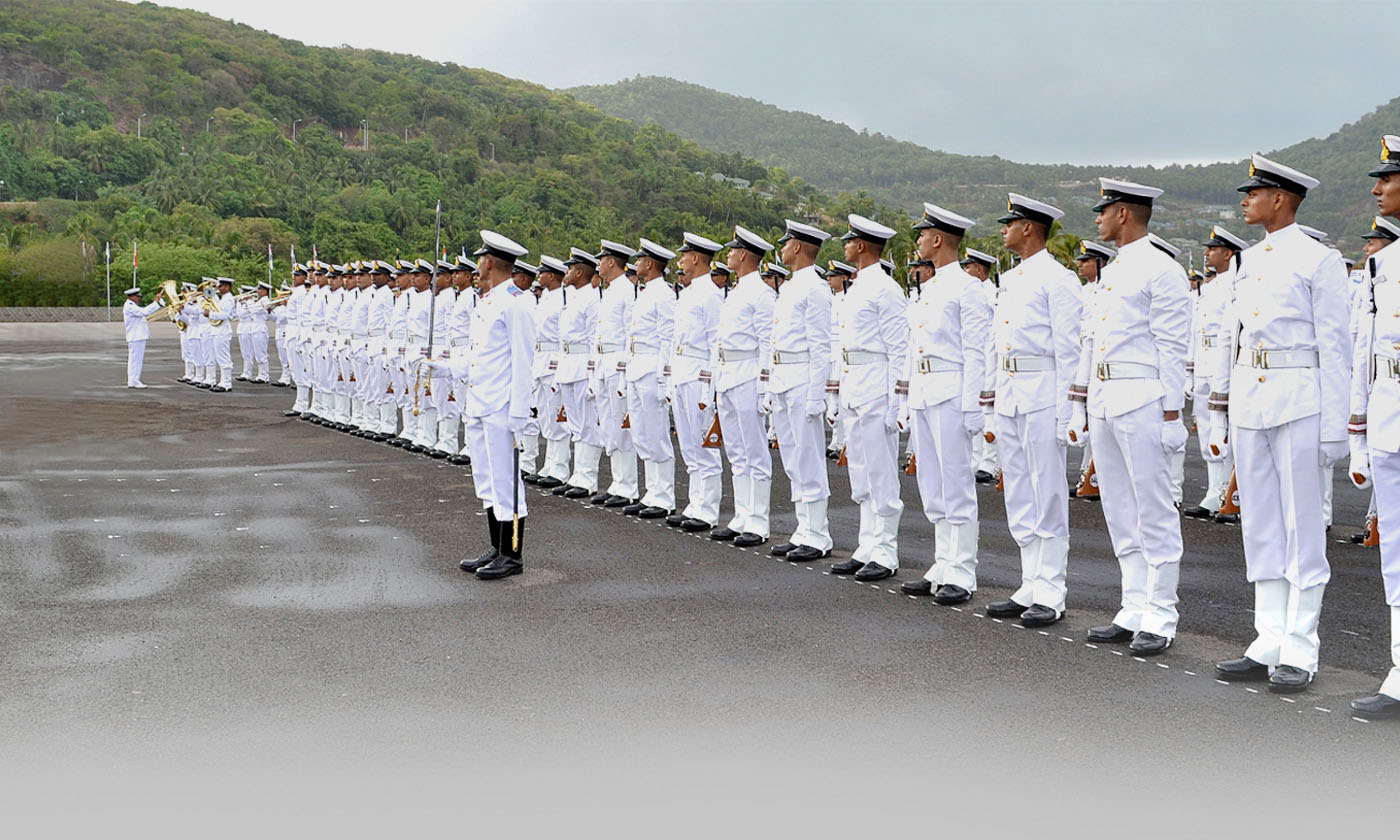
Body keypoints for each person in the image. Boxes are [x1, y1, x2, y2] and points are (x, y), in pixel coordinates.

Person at [1208, 154, 1349, 693]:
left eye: (1255, 192)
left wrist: (1336, 426)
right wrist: (1221, 406)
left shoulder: (1320, 260)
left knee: (1302, 523)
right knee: (1260, 519)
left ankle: (1301, 645)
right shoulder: (1248, 261)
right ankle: (1267, 636)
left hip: (1298, 396)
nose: (1245, 200)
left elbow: (1335, 348)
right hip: (1252, 397)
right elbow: (1234, 339)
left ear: (1282, 199)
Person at [1067, 178, 1191, 654]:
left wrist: (1172, 414)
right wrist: (1081, 403)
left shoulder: (1161, 270)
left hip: (1142, 397)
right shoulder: (1113, 272)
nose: (1098, 217)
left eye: (1104, 209)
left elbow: (1172, 346)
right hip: (1104, 396)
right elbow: (1092, 342)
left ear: (1124, 213)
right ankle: (1133, 603)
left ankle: (1161, 612)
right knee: (1119, 508)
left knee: (1154, 508)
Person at [983, 194, 1082, 627]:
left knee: (1047, 492)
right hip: (1011, 392)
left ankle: (1051, 589)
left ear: (1029, 228)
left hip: (1043, 392)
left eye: (1010, 222)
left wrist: (1066, 410)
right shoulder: (1014, 278)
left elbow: (1069, 349)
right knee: (1020, 490)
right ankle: (1029, 582)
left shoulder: (1058, 280)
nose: (1003, 228)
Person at [897, 203, 991, 602]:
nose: (918, 240)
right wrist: (905, 398)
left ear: (938, 240)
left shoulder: (968, 288)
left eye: (922, 234)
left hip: (952, 391)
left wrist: (973, 407)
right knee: (931, 483)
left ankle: (962, 570)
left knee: (956, 482)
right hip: (923, 389)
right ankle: (942, 562)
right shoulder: (929, 288)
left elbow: (976, 351)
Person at [431, 230, 536, 580]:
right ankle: (498, 546)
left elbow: (523, 361)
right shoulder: (488, 301)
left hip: (502, 406)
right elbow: (479, 358)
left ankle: (514, 554)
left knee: (507, 481)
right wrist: (445, 368)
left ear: (489, 262)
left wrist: (520, 412)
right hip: (479, 402)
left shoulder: (515, 303)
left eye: (479, 260)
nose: (476, 266)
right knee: (488, 479)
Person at [1348, 135, 1400, 718]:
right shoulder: (1383, 262)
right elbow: (1367, 349)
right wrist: (1360, 430)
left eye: (1387, 178)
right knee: (1397, 553)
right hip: (1389, 410)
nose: (1376, 188)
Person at [828, 214, 908, 582]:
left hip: (877, 383)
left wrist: (896, 402)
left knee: (880, 469)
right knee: (860, 469)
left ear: (861, 246)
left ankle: (886, 550)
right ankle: (866, 545)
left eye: (849, 240)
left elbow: (898, 349)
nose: (845, 245)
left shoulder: (885, 289)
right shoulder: (857, 286)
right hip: (855, 383)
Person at [766, 220, 836, 561]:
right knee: (793, 459)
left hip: (802, 379)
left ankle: (818, 534)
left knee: (809, 459)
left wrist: (815, 395)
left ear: (797, 247)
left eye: (786, 242)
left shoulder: (815, 289)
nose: (782, 247)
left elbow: (821, 347)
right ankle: (802, 528)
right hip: (783, 378)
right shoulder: (792, 287)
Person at [709, 225, 777, 547]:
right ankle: (741, 515)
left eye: (733, 250)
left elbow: (767, 342)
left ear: (745, 255)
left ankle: (759, 521)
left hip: (748, 373)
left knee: (754, 450)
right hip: (727, 373)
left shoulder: (762, 294)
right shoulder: (735, 291)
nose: (729, 255)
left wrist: (765, 386)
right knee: (736, 450)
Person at [1183, 225, 1247, 520]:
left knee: (1230, 431)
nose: (1207, 253)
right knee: (1208, 429)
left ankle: (1232, 494)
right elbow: (1196, 331)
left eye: (1213, 249)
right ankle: (1214, 490)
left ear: (1228, 252)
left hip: (1226, 366)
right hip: (1205, 364)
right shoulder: (1208, 287)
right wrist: (1190, 371)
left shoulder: (1239, 282)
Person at [668, 233, 727, 532]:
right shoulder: (689, 292)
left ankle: (707, 509)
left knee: (704, 444)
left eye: (684, 255)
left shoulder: (711, 294)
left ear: (696, 258)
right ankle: (694, 503)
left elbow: (716, 343)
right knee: (689, 444)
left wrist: (709, 386)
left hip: (698, 373)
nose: (680, 260)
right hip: (681, 370)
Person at [624, 239, 679, 518]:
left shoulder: (664, 295)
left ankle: (664, 495)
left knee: (657, 435)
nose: (637, 263)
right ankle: (651, 491)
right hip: (637, 366)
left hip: (652, 369)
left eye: (641, 259)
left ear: (650, 263)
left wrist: (663, 379)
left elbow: (667, 339)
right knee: (642, 433)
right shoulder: (645, 292)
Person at [591, 241, 641, 507]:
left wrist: (624, 370)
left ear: (612, 261)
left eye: (602, 259)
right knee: (610, 426)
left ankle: (628, 486)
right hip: (603, 362)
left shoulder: (627, 291)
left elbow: (629, 333)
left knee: (622, 426)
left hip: (617, 364)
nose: (598, 264)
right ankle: (617, 482)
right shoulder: (610, 291)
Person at [553, 248, 605, 499]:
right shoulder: (573, 297)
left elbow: (595, 338)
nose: (566, 272)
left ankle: (587, 478)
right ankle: (577, 475)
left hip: (583, 364)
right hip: (567, 363)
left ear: (580, 272)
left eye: (570, 268)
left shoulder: (593, 299)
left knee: (587, 424)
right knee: (575, 425)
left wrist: (594, 373)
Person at [1070, 241, 1114, 500]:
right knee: (1087, 420)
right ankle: (1087, 474)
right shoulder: (1082, 291)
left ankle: (1095, 477)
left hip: (1101, 361)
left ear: (1100, 263)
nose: (1080, 264)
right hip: (1083, 357)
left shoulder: (1108, 290)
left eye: (1086, 261)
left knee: (1099, 421)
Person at [961, 248, 1001, 483]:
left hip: (990, 358)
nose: (966, 271)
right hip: (976, 357)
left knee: (990, 413)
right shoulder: (970, 291)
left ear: (980, 269)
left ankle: (990, 462)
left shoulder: (993, 293)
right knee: (976, 409)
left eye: (969, 267)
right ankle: (976, 460)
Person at [824, 260, 855, 460]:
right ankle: (836, 440)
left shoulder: (851, 298)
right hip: (831, 352)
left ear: (844, 277)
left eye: (833, 276)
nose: (829, 279)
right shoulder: (831, 298)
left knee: (845, 401)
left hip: (844, 353)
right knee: (832, 400)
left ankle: (845, 442)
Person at [122, 284, 165, 388]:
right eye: (138, 296)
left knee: (136, 360)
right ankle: (134, 381)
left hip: (138, 336)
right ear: (132, 296)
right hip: (136, 336)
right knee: (135, 360)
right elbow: (144, 312)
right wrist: (156, 302)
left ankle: (134, 380)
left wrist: (158, 303)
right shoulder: (130, 306)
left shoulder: (133, 305)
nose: (139, 298)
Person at [208, 277, 237, 392]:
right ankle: (223, 381)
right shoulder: (223, 299)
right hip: (218, 330)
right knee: (219, 357)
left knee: (224, 357)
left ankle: (226, 383)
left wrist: (210, 314)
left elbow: (225, 315)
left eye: (221, 286)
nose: (219, 288)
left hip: (223, 331)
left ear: (227, 287)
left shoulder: (228, 299)